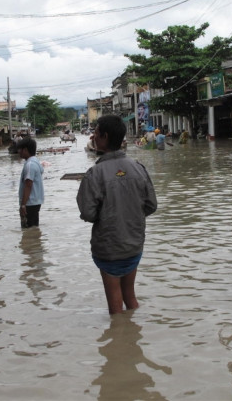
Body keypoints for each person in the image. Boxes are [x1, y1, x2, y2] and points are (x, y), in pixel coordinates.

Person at [77, 115, 158, 314]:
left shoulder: (94, 174)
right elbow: (151, 205)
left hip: (109, 246)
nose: (93, 137)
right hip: (133, 242)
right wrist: (130, 214)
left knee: (115, 305)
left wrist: (108, 216)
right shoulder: (138, 168)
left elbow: (87, 212)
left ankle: (120, 337)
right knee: (130, 296)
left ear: (104, 137)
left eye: (95, 133)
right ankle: (134, 334)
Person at [17, 137, 44, 228]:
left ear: (25, 150)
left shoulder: (29, 165)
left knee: (28, 229)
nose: (18, 152)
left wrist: (23, 205)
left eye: (20, 149)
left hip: (29, 203)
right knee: (33, 228)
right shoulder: (35, 162)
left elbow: (28, 185)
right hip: (35, 202)